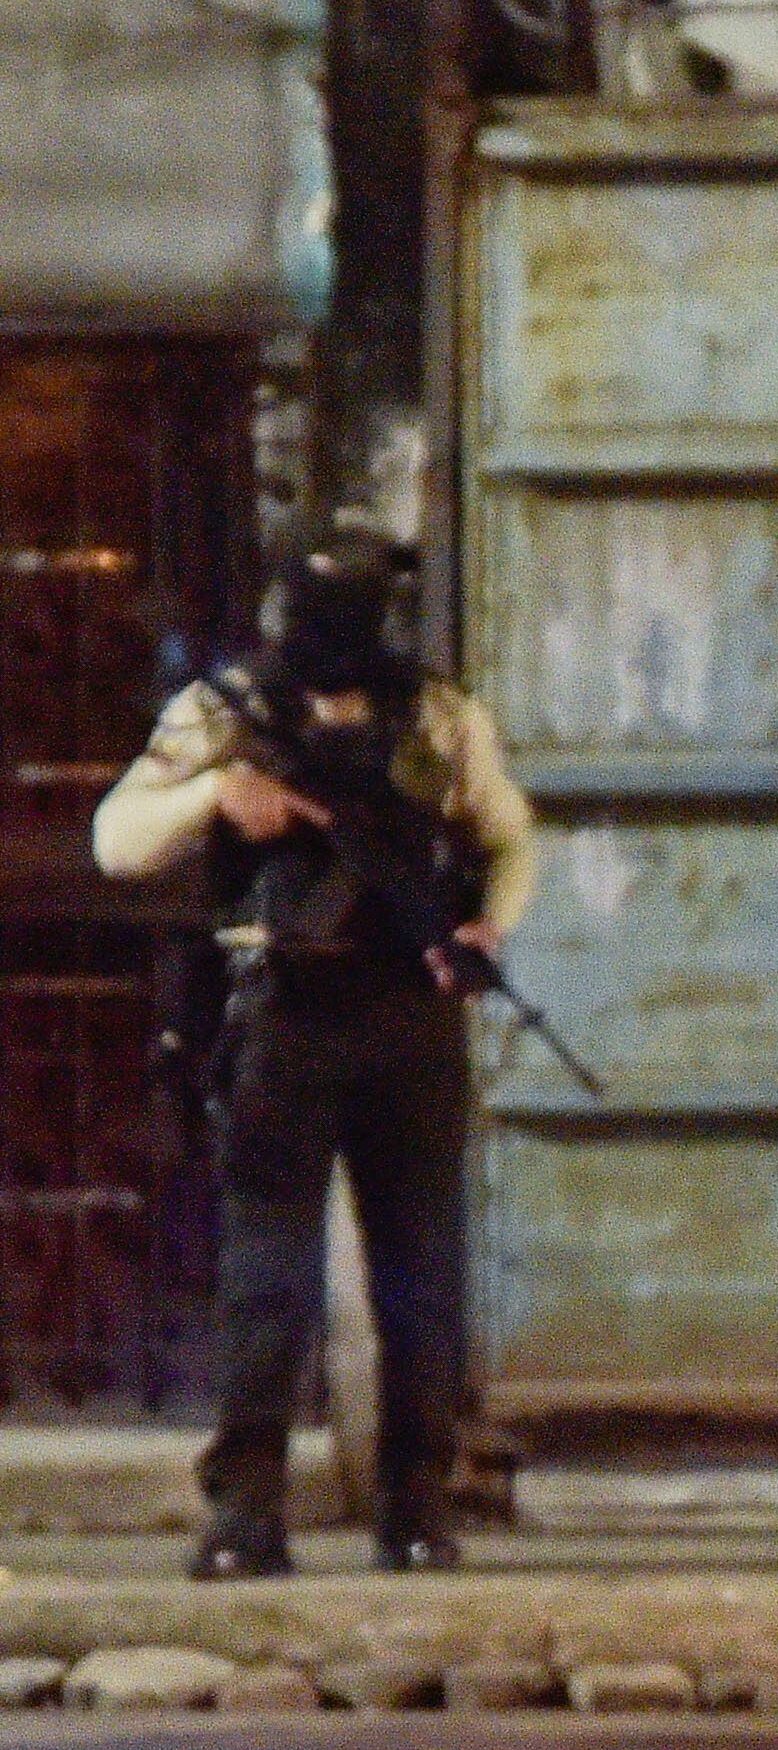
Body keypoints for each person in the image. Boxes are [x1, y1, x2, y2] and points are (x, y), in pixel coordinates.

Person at [92, 529, 536, 1579]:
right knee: (266, 1284)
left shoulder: (435, 713)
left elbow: (508, 832)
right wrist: (215, 797)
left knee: (421, 1275)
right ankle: (246, 1512)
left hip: (407, 1016)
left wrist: (486, 928)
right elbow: (117, 841)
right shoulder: (225, 713)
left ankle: (418, 1505)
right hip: (282, 1015)